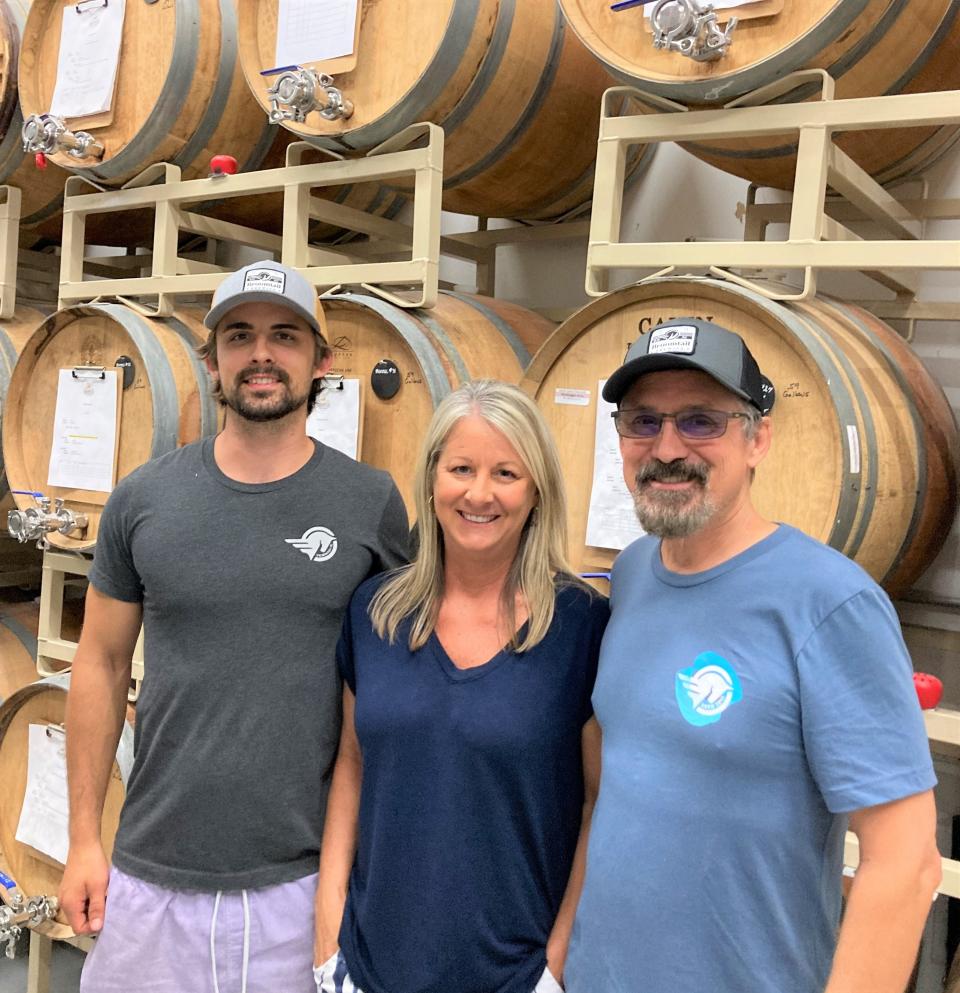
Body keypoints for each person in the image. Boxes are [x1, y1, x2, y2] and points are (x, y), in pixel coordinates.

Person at [61, 259, 411, 993]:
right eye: (240, 335)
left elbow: (397, 689)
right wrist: (82, 839)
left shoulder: (369, 502)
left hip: (301, 882)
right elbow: (97, 663)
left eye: (285, 336)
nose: (261, 354)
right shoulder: (143, 499)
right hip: (152, 871)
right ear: (211, 359)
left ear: (321, 360)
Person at [564, 318, 941, 993]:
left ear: (758, 437)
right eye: (643, 421)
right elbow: (613, 794)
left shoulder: (828, 602)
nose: (668, 447)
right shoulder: (635, 572)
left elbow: (906, 864)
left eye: (701, 421)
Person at [314, 379, 609, 993]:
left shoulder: (580, 624)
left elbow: (596, 805)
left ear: (537, 492)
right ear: (431, 479)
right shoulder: (376, 612)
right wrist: (328, 927)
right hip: (368, 969)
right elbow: (351, 764)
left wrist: (554, 965)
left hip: (515, 974)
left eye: (506, 473)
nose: (479, 493)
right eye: (461, 468)